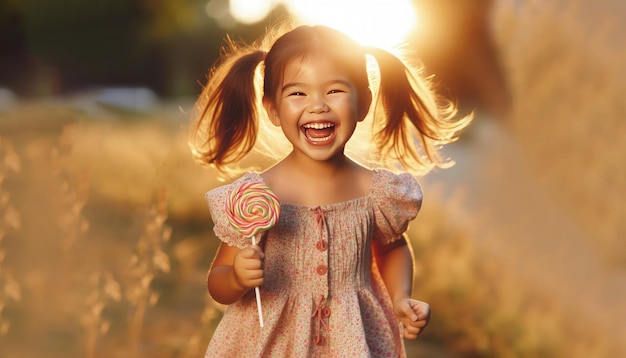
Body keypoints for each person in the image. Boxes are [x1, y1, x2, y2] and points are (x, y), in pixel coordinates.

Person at [190, 21, 471, 357]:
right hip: (269, 343)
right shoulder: (255, 196)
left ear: (364, 103)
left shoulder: (377, 192)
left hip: (352, 337)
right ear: (273, 109)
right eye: (297, 93)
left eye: (335, 90)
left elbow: (392, 248)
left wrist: (401, 298)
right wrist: (236, 278)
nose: (318, 105)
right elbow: (217, 281)